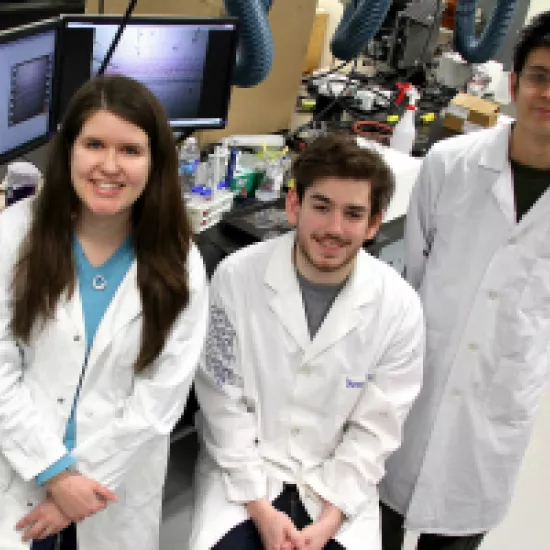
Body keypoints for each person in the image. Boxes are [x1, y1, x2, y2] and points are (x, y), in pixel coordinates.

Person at [0, 75, 209, 549]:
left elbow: (161, 397)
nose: (109, 166)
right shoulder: (13, 236)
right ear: (68, 148)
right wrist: (54, 473)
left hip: (114, 485)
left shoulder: (179, 262)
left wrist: (78, 489)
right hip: (17, 469)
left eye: (131, 150)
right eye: (94, 144)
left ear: (155, 162)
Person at [189, 133, 425, 550]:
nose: (334, 229)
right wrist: (261, 508)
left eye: (353, 214)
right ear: (294, 205)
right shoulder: (237, 276)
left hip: (335, 484)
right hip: (246, 475)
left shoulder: (400, 307)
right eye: (321, 207)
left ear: (373, 224)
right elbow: (222, 402)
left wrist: (330, 518)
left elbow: (376, 430)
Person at [379, 10, 550, 550]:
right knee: (369, 526)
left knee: (454, 536)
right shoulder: (449, 165)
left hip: (496, 407)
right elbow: (416, 274)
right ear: (516, 82)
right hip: (412, 389)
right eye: (542, 76)